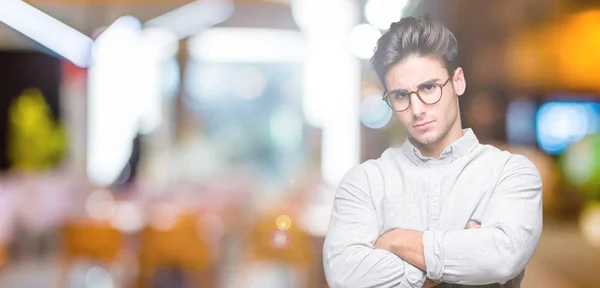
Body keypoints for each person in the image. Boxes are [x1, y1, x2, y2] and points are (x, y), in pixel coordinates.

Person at [322, 15, 542, 288]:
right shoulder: (364, 182)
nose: (416, 109)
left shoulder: (510, 173)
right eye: (401, 95)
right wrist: (457, 256)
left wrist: (396, 240)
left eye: (428, 87)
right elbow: (345, 276)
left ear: (458, 81)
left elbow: (502, 256)